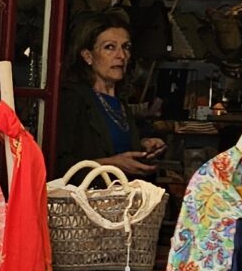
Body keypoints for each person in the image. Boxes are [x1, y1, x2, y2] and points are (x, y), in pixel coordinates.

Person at [55, 13, 167, 179]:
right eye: (110, 47)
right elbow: (57, 164)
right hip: (87, 193)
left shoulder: (119, 102)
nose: (121, 55)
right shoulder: (72, 98)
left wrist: (143, 146)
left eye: (126, 47)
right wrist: (111, 165)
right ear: (87, 56)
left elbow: (115, 147)